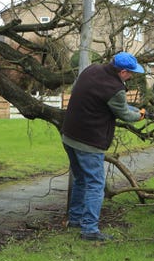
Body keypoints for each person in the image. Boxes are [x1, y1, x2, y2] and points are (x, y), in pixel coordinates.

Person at [62, 52, 147, 241]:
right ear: (123, 71)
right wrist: (140, 115)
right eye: (131, 73)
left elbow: (113, 104)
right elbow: (124, 114)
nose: (132, 77)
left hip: (69, 135)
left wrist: (134, 109)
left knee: (81, 180)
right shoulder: (115, 88)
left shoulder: (93, 69)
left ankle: (75, 220)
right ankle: (90, 230)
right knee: (95, 184)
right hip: (89, 142)